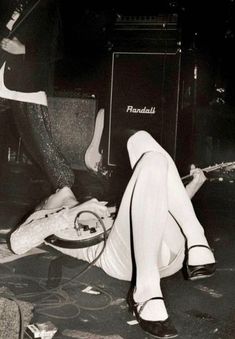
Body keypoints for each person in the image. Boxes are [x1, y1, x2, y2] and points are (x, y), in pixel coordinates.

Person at [10, 130, 216, 338]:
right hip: (123, 260)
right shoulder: (47, 218)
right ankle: (147, 288)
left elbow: (153, 213)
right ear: (44, 205)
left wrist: (192, 187)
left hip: (168, 254)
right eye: (53, 194)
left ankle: (196, 239)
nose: (60, 191)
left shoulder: (100, 207)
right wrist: (69, 214)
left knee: (145, 147)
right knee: (149, 157)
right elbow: (17, 242)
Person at [0, 0, 74, 190]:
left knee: (39, 141)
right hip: (2, 71)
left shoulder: (46, 6)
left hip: (25, 80)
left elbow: (57, 49)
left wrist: (23, 49)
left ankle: (66, 188)